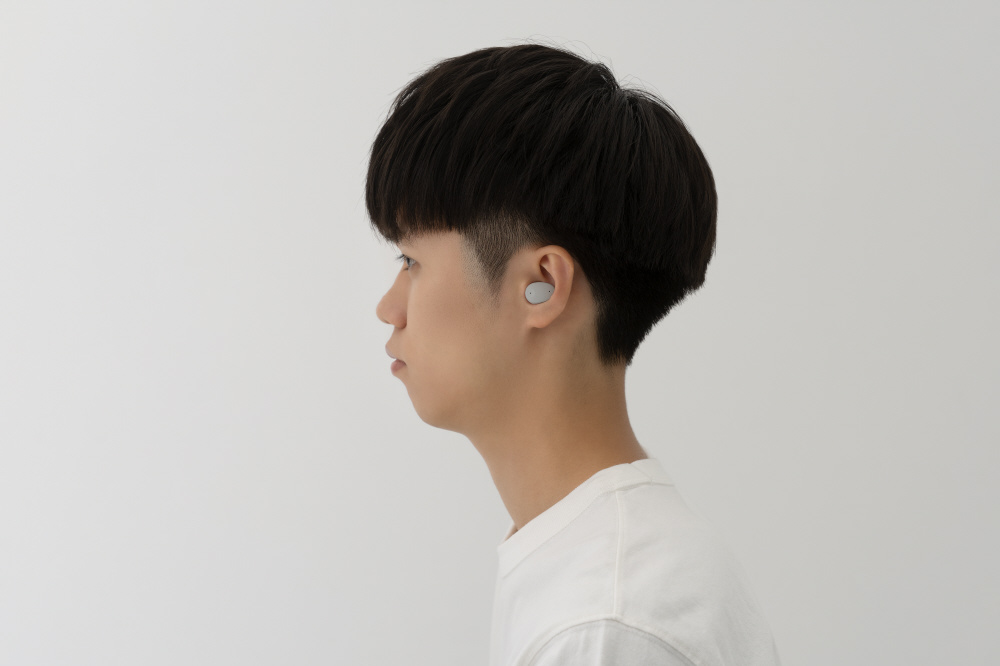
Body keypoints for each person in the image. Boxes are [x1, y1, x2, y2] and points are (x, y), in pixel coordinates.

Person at [370, 41, 781, 666]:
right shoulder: (601, 572)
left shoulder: (608, 623)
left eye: (411, 261)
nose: (388, 307)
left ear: (542, 285)